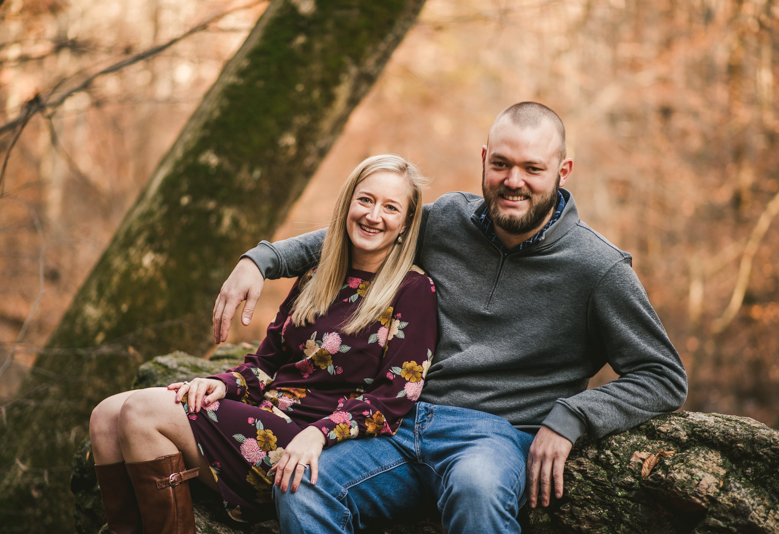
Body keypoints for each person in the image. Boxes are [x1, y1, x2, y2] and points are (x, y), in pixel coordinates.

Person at [212, 102, 689, 534]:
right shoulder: (446, 222)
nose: (513, 181)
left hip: (494, 437)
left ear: (563, 171)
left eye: (532, 169)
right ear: (484, 159)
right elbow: (358, 233)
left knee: (477, 490)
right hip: (400, 424)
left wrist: (572, 416)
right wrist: (263, 261)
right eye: (501, 164)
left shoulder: (598, 269)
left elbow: (662, 375)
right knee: (304, 484)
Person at [88, 154, 437, 534]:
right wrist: (224, 383)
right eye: (365, 200)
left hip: (306, 444)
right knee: (106, 415)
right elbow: (267, 362)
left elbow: (393, 401)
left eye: (390, 207)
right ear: (347, 204)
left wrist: (320, 432)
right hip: (264, 414)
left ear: (405, 225)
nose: (373, 215)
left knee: (142, 411)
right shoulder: (317, 275)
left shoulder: (413, 291)